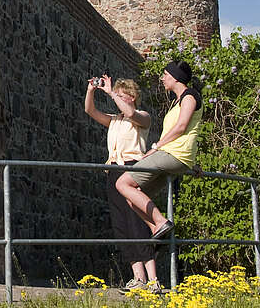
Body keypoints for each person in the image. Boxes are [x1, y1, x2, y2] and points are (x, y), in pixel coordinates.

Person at [114, 59, 203, 241]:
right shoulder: (176, 101)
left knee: (122, 183)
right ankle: (157, 229)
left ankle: (161, 221)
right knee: (134, 197)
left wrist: (155, 148)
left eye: (165, 75)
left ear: (176, 78)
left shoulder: (189, 97)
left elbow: (181, 127)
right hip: (174, 156)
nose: (162, 78)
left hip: (172, 155)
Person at [85, 75, 159, 291]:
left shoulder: (142, 117)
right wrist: (91, 90)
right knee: (121, 226)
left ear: (133, 96)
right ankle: (138, 278)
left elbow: (131, 113)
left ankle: (153, 279)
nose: (118, 97)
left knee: (137, 222)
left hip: (133, 171)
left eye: (122, 94)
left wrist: (111, 93)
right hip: (113, 171)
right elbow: (91, 111)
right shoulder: (115, 120)